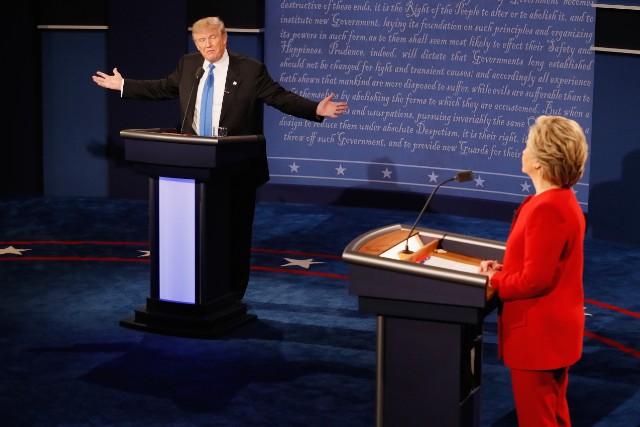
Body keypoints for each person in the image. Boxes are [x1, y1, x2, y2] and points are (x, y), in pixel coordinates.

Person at [92, 16, 349, 300]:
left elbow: (280, 97)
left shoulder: (250, 70)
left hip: (235, 167)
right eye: (201, 41)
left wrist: (315, 109)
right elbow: (161, 87)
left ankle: (233, 296)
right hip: (192, 165)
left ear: (224, 38)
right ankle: (194, 290)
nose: (207, 45)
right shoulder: (189, 65)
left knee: (235, 235)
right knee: (195, 234)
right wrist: (124, 85)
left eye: (212, 38)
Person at [478, 115, 588, 427]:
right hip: (555, 332)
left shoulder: (547, 208)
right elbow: (542, 264)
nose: (522, 151)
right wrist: (504, 268)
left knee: (538, 420)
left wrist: (495, 280)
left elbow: (535, 280)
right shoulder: (561, 201)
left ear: (540, 162)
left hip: (539, 335)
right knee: (553, 415)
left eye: (527, 145)